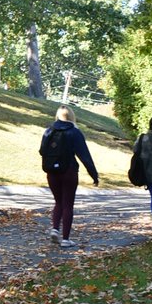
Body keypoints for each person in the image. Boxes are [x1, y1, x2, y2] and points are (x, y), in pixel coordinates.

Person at [39, 105, 99, 248]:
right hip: (69, 171)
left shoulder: (49, 131)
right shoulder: (74, 132)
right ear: (71, 116)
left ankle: (55, 229)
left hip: (51, 172)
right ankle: (65, 239)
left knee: (58, 202)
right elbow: (84, 155)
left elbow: (42, 151)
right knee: (68, 204)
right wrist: (94, 175)